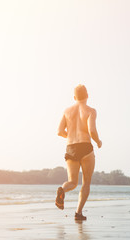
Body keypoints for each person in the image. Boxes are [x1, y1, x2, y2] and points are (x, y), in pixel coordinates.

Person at [56, 84, 102, 221]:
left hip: (70, 148)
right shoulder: (90, 111)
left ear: (74, 97)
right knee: (86, 183)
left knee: (72, 182)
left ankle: (62, 190)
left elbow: (59, 131)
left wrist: (70, 137)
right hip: (85, 147)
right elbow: (92, 130)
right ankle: (78, 213)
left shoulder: (67, 111)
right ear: (87, 95)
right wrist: (98, 141)